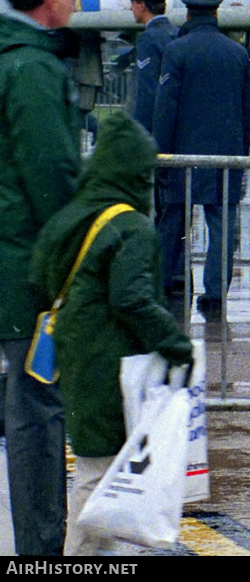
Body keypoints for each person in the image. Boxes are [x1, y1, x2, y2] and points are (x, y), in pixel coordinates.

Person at [29, 117, 191, 556]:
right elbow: (131, 298)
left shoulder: (78, 213)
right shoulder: (131, 227)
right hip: (110, 361)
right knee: (102, 472)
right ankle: (83, 556)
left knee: (93, 462)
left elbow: (41, 271)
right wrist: (175, 343)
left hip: (78, 355)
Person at [0, 0, 83, 555]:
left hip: (10, 254)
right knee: (37, 409)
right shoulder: (31, 68)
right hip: (27, 264)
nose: (78, 4)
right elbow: (50, 171)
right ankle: (40, 550)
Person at [152, 0, 250, 323]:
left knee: (174, 225)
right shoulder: (238, 54)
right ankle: (214, 296)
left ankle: (162, 285)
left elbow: (165, 107)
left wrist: (161, 155)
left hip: (183, 157)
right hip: (226, 157)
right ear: (215, 14)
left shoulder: (176, 51)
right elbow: (247, 110)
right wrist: (240, 152)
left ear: (188, 14)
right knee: (221, 227)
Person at [125, 0, 175, 131]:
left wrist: (139, 130)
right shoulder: (175, 33)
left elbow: (147, 90)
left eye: (132, 3)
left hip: (152, 127)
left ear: (141, 5)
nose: (130, 9)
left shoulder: (148, 38)